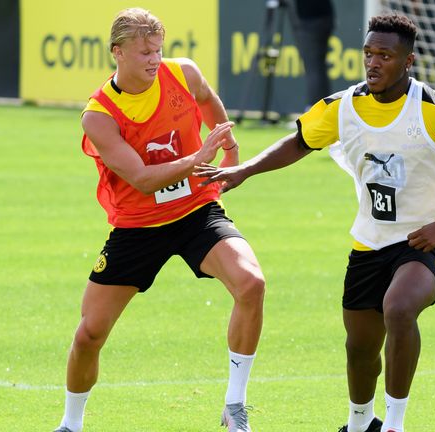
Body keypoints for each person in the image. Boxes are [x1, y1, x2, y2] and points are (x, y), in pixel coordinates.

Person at [197, 14, 435, 432]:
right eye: (368, 53)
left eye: (385, 55)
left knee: (398, 309)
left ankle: (395, 426)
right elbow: (298, 143)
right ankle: (360, 424)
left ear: (408, 61)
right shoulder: (343, 107)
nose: (373, 63)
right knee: (360, 347)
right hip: (369, 244)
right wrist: (244, 170)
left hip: (428, 242)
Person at [53, 8, 264, 432]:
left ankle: (234, 406)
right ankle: (71, 424)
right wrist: (198, 158)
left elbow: (206, 98)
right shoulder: (99, 115)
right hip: (136, 226)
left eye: (158, 50)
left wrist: (230, 148)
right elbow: (143, 179)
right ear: (117, 52)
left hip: (195, 213)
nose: (154, 59)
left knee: (251, 283)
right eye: (145, 51)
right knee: (89, 334)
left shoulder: (182, 73)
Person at [290, 0, 334, 107]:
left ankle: (314, 109)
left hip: (310, 19)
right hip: (325, 16)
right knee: (318, 68)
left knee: (313, 68)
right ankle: (324, 108)